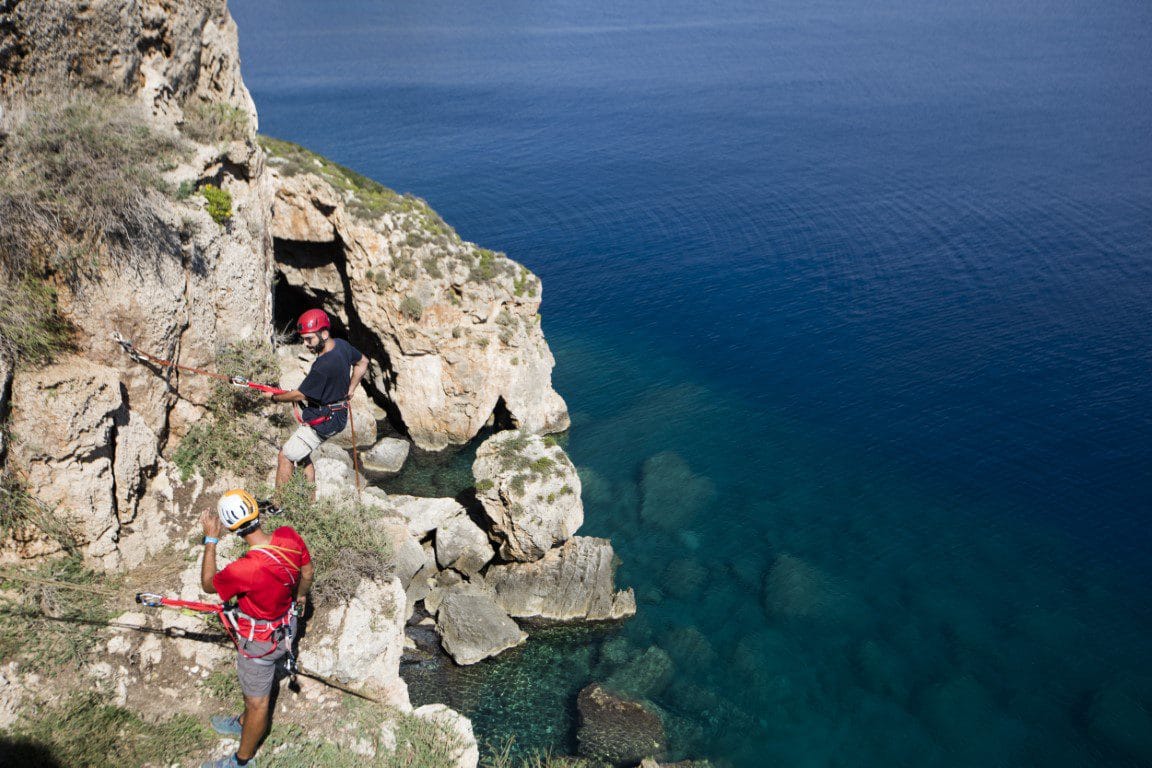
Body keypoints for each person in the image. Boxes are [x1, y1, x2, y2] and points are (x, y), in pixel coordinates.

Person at [199, 489, 313, 768]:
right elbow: (307, 573)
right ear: (256, 512)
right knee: (258, 693)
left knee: (258, 704)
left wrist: (211, 540)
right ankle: (242, 721)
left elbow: (208, 584)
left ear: (231, 527)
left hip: (259, 642)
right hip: (287, 625)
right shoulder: (289, 536)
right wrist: (300, 595)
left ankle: (241, 761)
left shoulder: (243, 569)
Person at [270, 308, 368, 490]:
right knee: (302, 454)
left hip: (325, 419)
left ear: (324, 333)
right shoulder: (341, 345)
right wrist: (351, 388)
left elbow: (300, 394)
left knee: (286, 455)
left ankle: (279, 505)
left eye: (309, 339)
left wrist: (274, 397)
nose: (306, 344)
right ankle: (310, 500)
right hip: (337, 413)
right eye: (304, 339)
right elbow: (363, 362)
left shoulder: (322, 365)